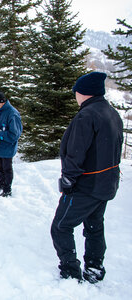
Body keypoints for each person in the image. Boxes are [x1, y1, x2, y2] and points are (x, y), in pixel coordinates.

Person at [50, 71, 123, 283]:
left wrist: (68, 180)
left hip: (86, 184)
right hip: (106, 184)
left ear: (85, 93)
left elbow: (76, 152)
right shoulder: (111, 113)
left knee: (61, 226)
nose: (75, 96)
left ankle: (71, 271)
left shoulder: (87, 115)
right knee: (94, 225)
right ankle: (94, 267)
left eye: (77, 92)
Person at [0, 91, 22, 197]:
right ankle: (2, 186)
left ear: (2, 102)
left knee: (7, 168)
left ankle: (7, 189)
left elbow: (14, 134)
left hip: (7, 147)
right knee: (0, 167)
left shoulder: (12, 113)